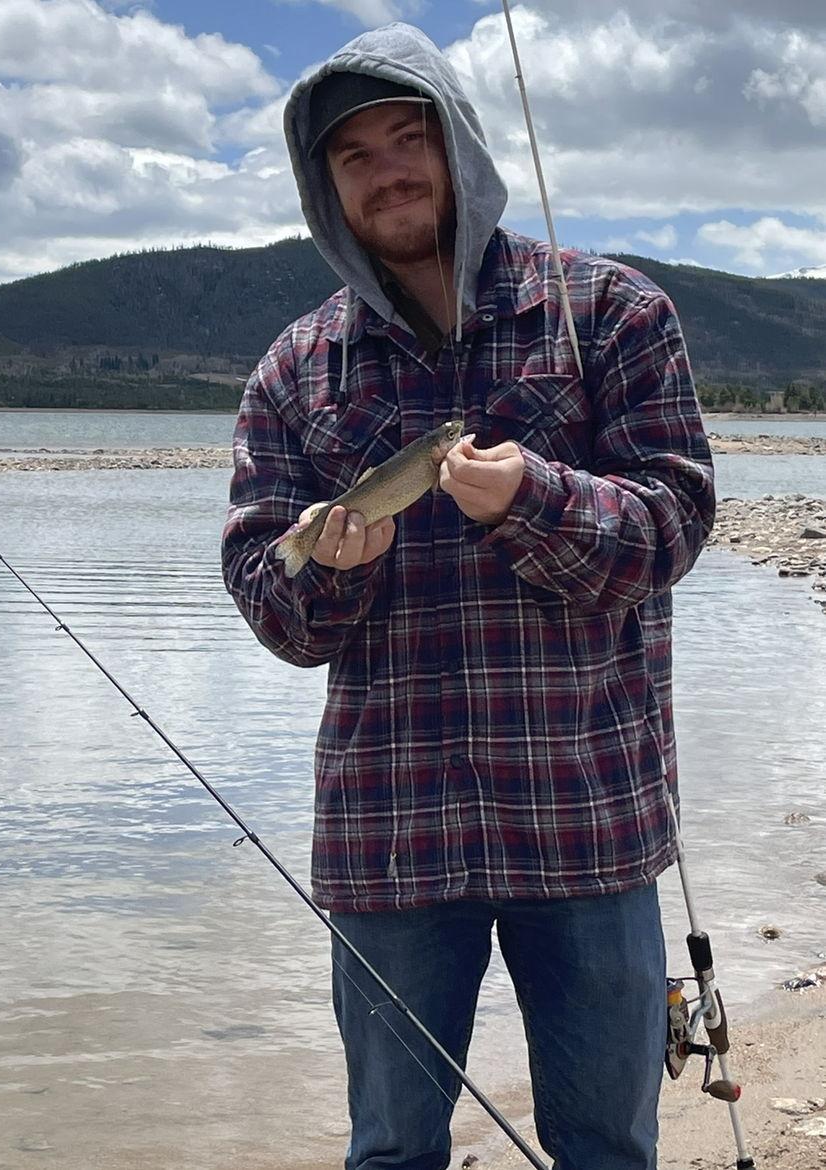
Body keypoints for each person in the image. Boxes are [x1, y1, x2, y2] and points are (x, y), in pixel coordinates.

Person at [220, 20, 715, 1170]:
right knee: (392, 1150)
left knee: (607, 1148)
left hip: (588, 819)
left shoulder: (613, 313)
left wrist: (532, 499)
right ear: (326, 188)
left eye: (410, 138)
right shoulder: (294, 370)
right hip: (390, 835)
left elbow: (675, 525)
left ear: (460, 145)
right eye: (355, 156)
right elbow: (267, 595)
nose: (388, 170)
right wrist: (331, 572)